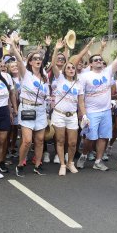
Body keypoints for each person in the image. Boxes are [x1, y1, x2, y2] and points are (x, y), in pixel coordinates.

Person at [76, 35, 117, 171]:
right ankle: (84, 155)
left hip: (106, 111)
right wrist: (83, 114)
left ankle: (98, 161)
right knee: (90, 138)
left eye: (100, 59)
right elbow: (81, 98)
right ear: (91, 63)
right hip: (91, 112)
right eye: (96, 60)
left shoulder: (107, 72)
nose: (99, 61)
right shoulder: (84, 76)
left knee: (103, 137)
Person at [2, 36, 49, 177]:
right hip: (27, 108)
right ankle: (20, 163)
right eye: (34, 58)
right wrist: (13, 45)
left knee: (40, 140)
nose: (38, 60)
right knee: (27, 140)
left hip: (41, 109)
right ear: (30, 62)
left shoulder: (45, 75)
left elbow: (46, 93)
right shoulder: (26, 74)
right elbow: (18, 59)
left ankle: (38, 164)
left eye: (39, 58)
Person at [50, 39, 86, 175]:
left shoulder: (79, 84)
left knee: (72, 142)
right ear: (64, 70)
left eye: (73, 68)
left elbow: (81, 102)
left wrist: (85, 115)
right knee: (60, 140)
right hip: (59, 114)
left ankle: (70, 162)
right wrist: (56, 49)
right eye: (68, 68)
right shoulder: (60, 79)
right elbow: (53, 64)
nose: (71, 69)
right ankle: (62, 164)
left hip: (72, 116)